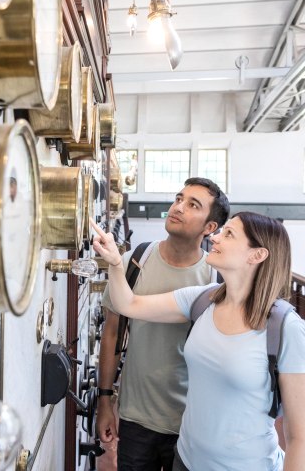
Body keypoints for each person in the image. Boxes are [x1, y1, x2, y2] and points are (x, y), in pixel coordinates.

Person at [91, 212, 305, 470]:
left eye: (228, 234)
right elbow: (129, 304)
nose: (214, 238)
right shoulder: (203, 300)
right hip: (186, 460)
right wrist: (115, 263)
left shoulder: (286, 328)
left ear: (257, 255)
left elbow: (298, 437)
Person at [96, 177, 230, 471]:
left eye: (192, 205)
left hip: (189, 422)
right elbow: (112, 335)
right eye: (178, 198)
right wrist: (104, 400)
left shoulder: (215, 279)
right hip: (135, 417)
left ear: (210, 228)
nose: (178, 207)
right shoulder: (135, 260)